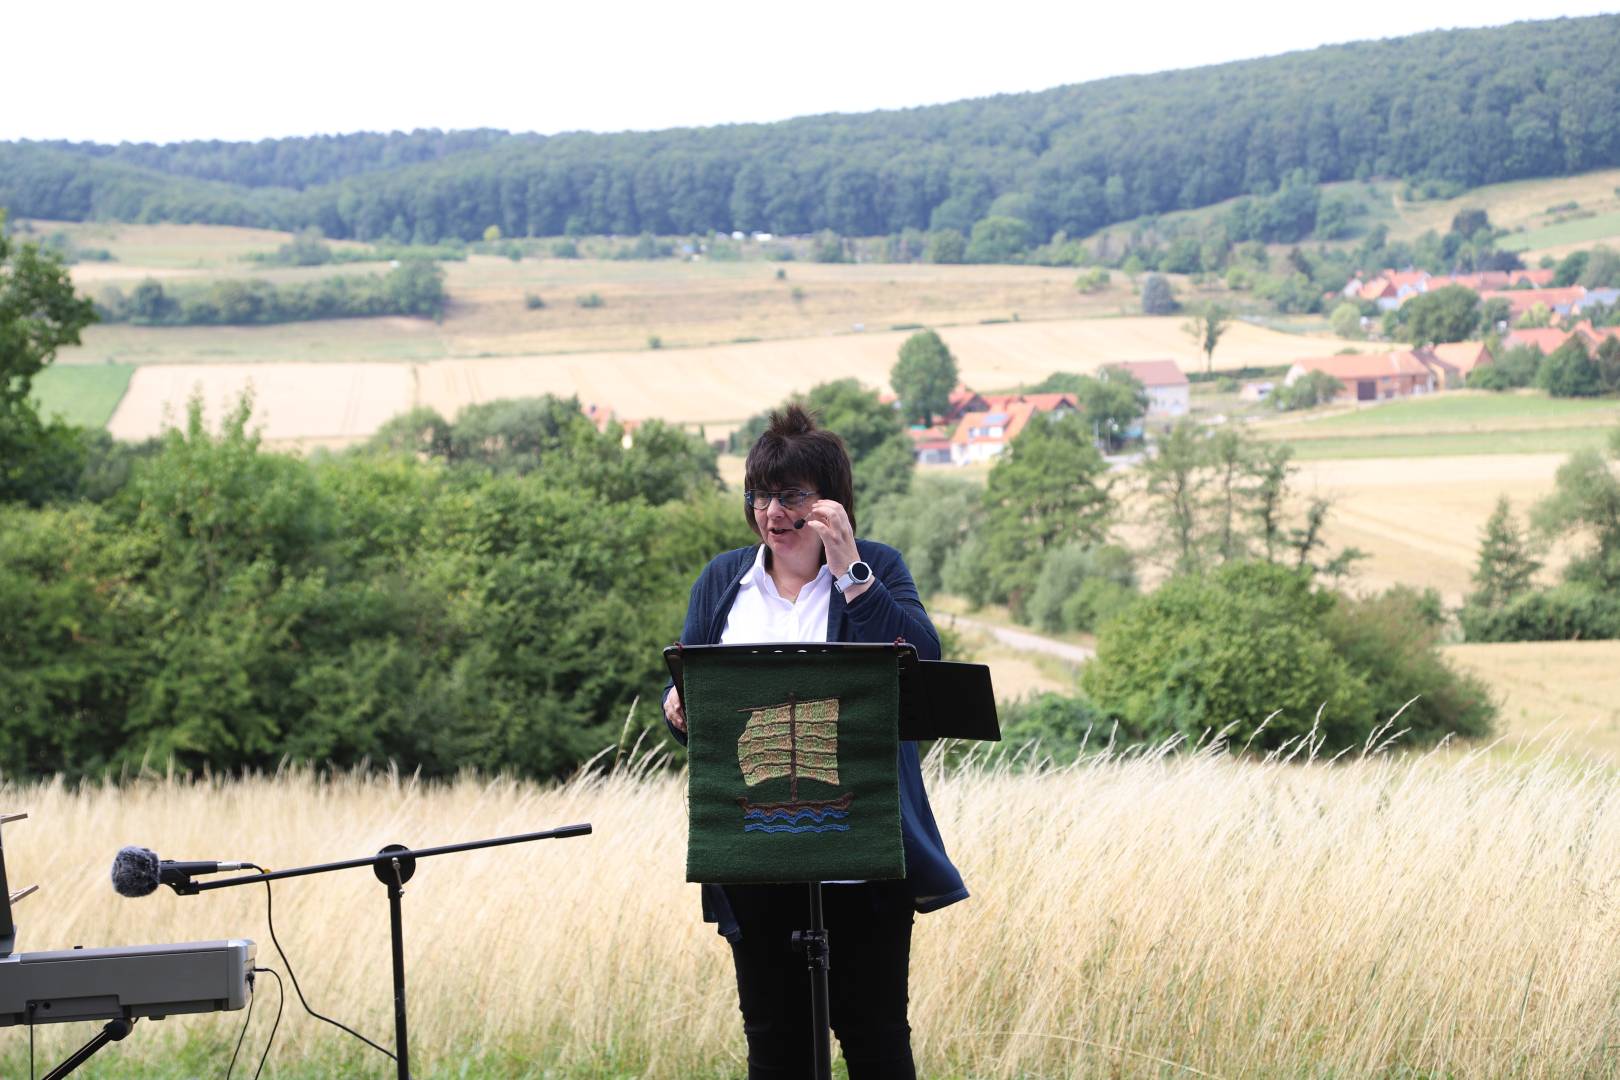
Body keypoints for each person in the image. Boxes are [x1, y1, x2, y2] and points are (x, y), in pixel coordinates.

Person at [663, 404, 966, 1080]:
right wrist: (677, 707)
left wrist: (851, 570)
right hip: (753, 859)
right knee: (776, 1048)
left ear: (831, 502)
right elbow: (691, 699)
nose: (771, 511)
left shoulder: (876, 568)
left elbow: (921, 662)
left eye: (791, 495)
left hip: (864, 857)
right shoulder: (721, 582)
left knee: (877, 1039)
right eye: (761, 495)